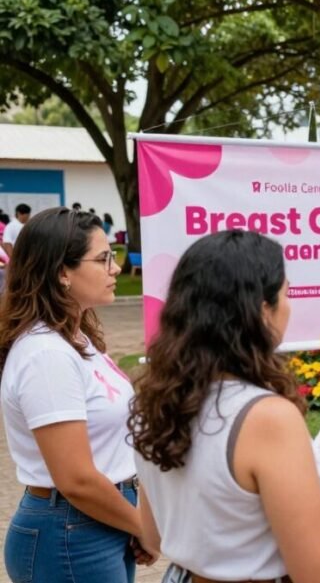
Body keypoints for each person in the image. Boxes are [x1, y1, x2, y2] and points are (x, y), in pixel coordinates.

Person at [129, 230, 320, 582]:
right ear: (263, 311)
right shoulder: (265, 417)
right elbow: (316, 569)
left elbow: (154, 534)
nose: (290, 305)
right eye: (287, 292)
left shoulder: (153, 400)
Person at [0, 207, 153, 582]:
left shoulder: (75, 337)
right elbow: (75, 479)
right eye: (103, 259)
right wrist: (142, 526)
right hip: (70, 530)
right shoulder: (46, 355)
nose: (115, 268)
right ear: (62, 272)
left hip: (95, 521)